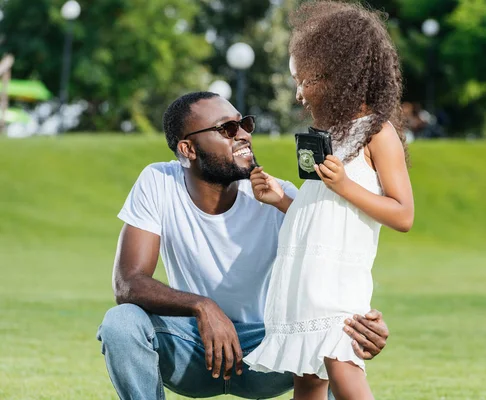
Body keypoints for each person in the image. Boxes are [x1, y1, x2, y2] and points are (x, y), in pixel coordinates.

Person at [96, 91, 391, 400]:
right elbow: (129, 282)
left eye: (245, 124)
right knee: (121, 324)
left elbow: (334, 259)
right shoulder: (158, 181)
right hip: (193, 349)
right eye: (227, 129)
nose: (244, 135)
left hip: (268, 349)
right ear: (187, 149)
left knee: (332, 337)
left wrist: (360, 323)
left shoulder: (278, 196)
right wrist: (203, 307)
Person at [243, 2, 414, 399]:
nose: (299, 92)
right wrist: (282, 201)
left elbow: (403, 214)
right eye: (296, 81)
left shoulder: (376, 132)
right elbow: (323, 213)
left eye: (306, 80)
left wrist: (346, 186)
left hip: (336, 283)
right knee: (307, 378)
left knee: (344, 372)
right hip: (302, 276)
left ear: (342, 75)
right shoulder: (328, 137)